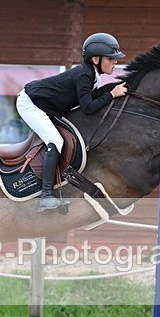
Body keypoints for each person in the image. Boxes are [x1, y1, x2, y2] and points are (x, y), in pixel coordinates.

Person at [16, 32, 128, 213]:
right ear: (96, 59)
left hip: (48, 106)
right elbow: (89, 107)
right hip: (30, 103)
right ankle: (46, 197)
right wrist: (112, 94)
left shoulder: (92, 74)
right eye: (111, 58)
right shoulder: (85, 74)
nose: (115, 62)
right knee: (55, 140)